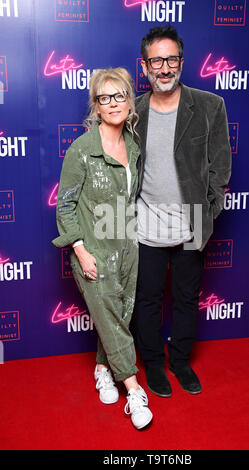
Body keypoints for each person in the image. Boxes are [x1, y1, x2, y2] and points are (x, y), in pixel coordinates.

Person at [52, 67, 153, 430]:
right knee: (112, 317)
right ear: (95, 105)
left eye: (120, 95)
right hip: (93, 250)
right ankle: (134, 389)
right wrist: (79, 249)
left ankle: (101, 369)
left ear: (129, 100)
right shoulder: (81, 151)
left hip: (128, 246)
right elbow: (64, 205)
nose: (114, 104)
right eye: (105, 97)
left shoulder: (134, 145)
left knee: (119, 316)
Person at [134, 26, 232, 397]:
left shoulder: (209, 106)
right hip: (145, 227)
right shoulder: (133, 111)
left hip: (191, 226)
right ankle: (155, 366)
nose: (164, 68)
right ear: (144, 67)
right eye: (156, 60)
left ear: (182, 62)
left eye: (170, 59)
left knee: (188, 299)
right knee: (147, 300)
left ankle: (179, 361)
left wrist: (208, 211)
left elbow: (220, 166)